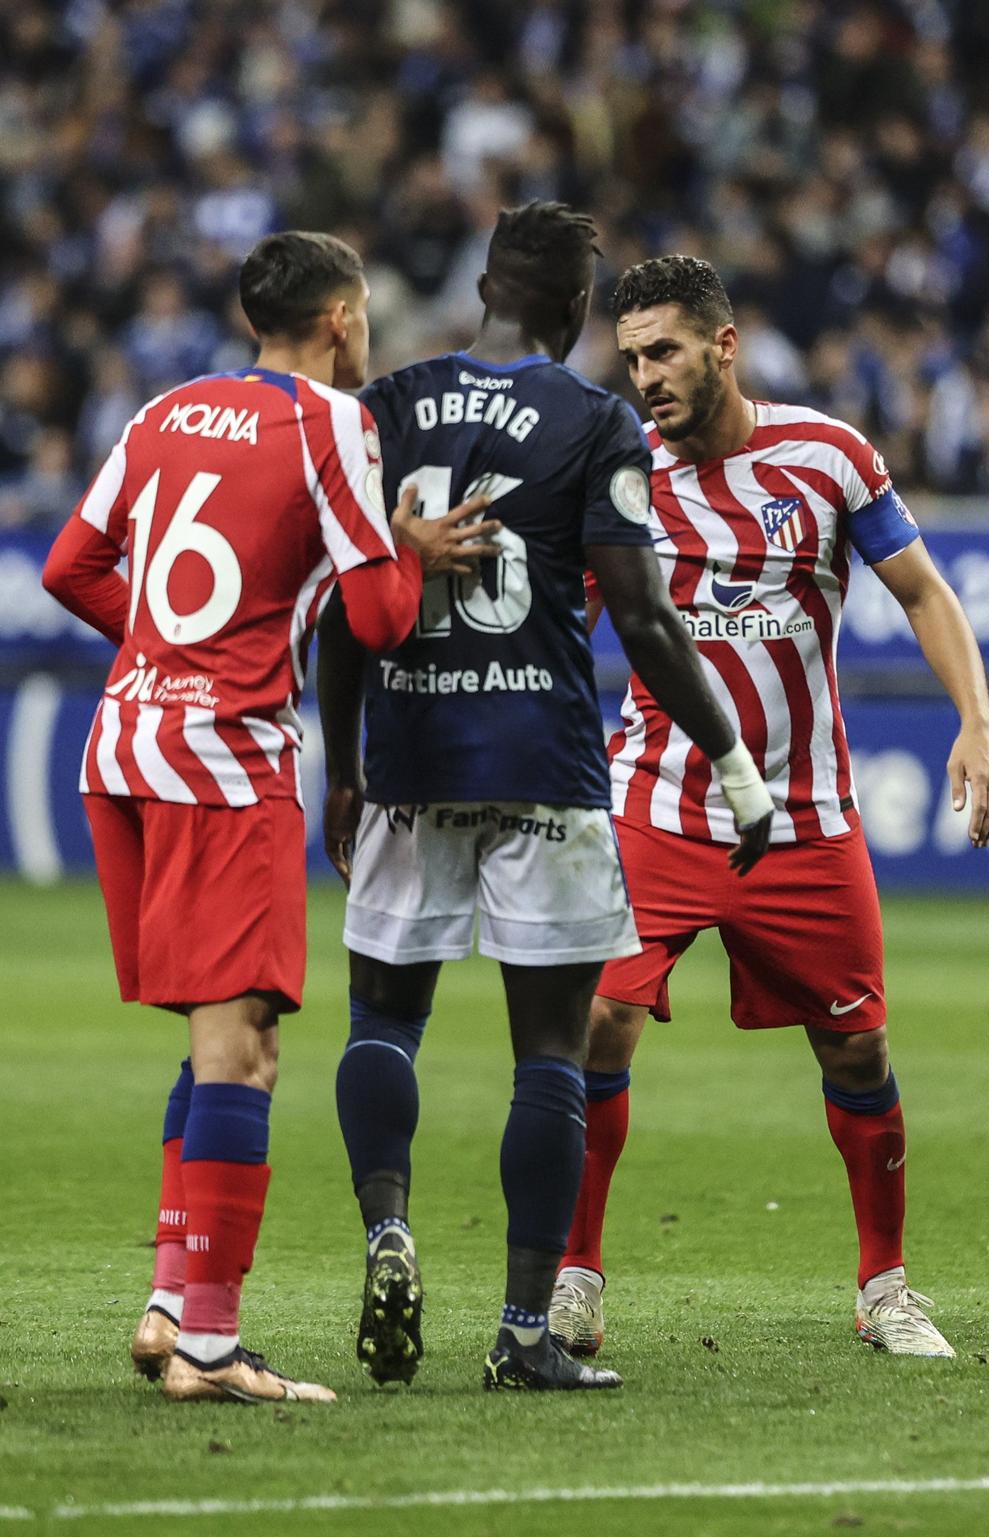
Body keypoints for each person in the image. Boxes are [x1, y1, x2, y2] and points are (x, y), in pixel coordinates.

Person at [318, 204, 775, 1393]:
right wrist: (729, 757)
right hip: (544, 764)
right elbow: (640, 616)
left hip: (411, 757)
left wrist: (342, 767)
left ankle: (387, 1231)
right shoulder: (592, 419)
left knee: (381, 1022)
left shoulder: (386, 404)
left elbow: (338, 600)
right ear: (579, 311)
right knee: (550, 1059)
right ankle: (523, 1332)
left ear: (480, 285)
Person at [43, 231, 499, 1405]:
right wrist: (402, 549)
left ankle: (163, 1300)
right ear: (342, 320)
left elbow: (70, 567)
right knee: (242, 1042)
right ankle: (209, 1342)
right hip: (222, 763)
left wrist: (166, 654)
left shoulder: (163, 411)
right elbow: (382, 619)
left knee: (205, 1035)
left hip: (123, 747)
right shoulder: (334, 426)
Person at [549, 254, 989, 1360]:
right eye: (629, 358)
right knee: (598, 1020)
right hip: (655, 802)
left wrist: (977, 721)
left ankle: (883, 1287)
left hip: (802, 817)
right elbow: (554, 634)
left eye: (662, 351)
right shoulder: (619, 473)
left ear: (723, 344)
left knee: (855, 1050)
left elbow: (919, 590)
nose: (645, 376)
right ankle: (571, 1277)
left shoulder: (828, 456)